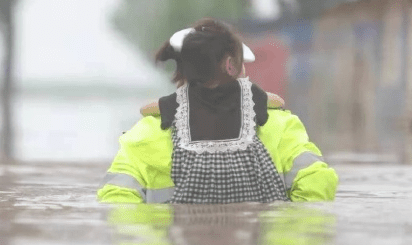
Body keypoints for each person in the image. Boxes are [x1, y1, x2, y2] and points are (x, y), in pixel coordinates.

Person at [98, 18, 338, 203]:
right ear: (235, 68)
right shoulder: (278, 124)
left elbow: (118, 203)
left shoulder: (146, 133)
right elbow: (318, 183)